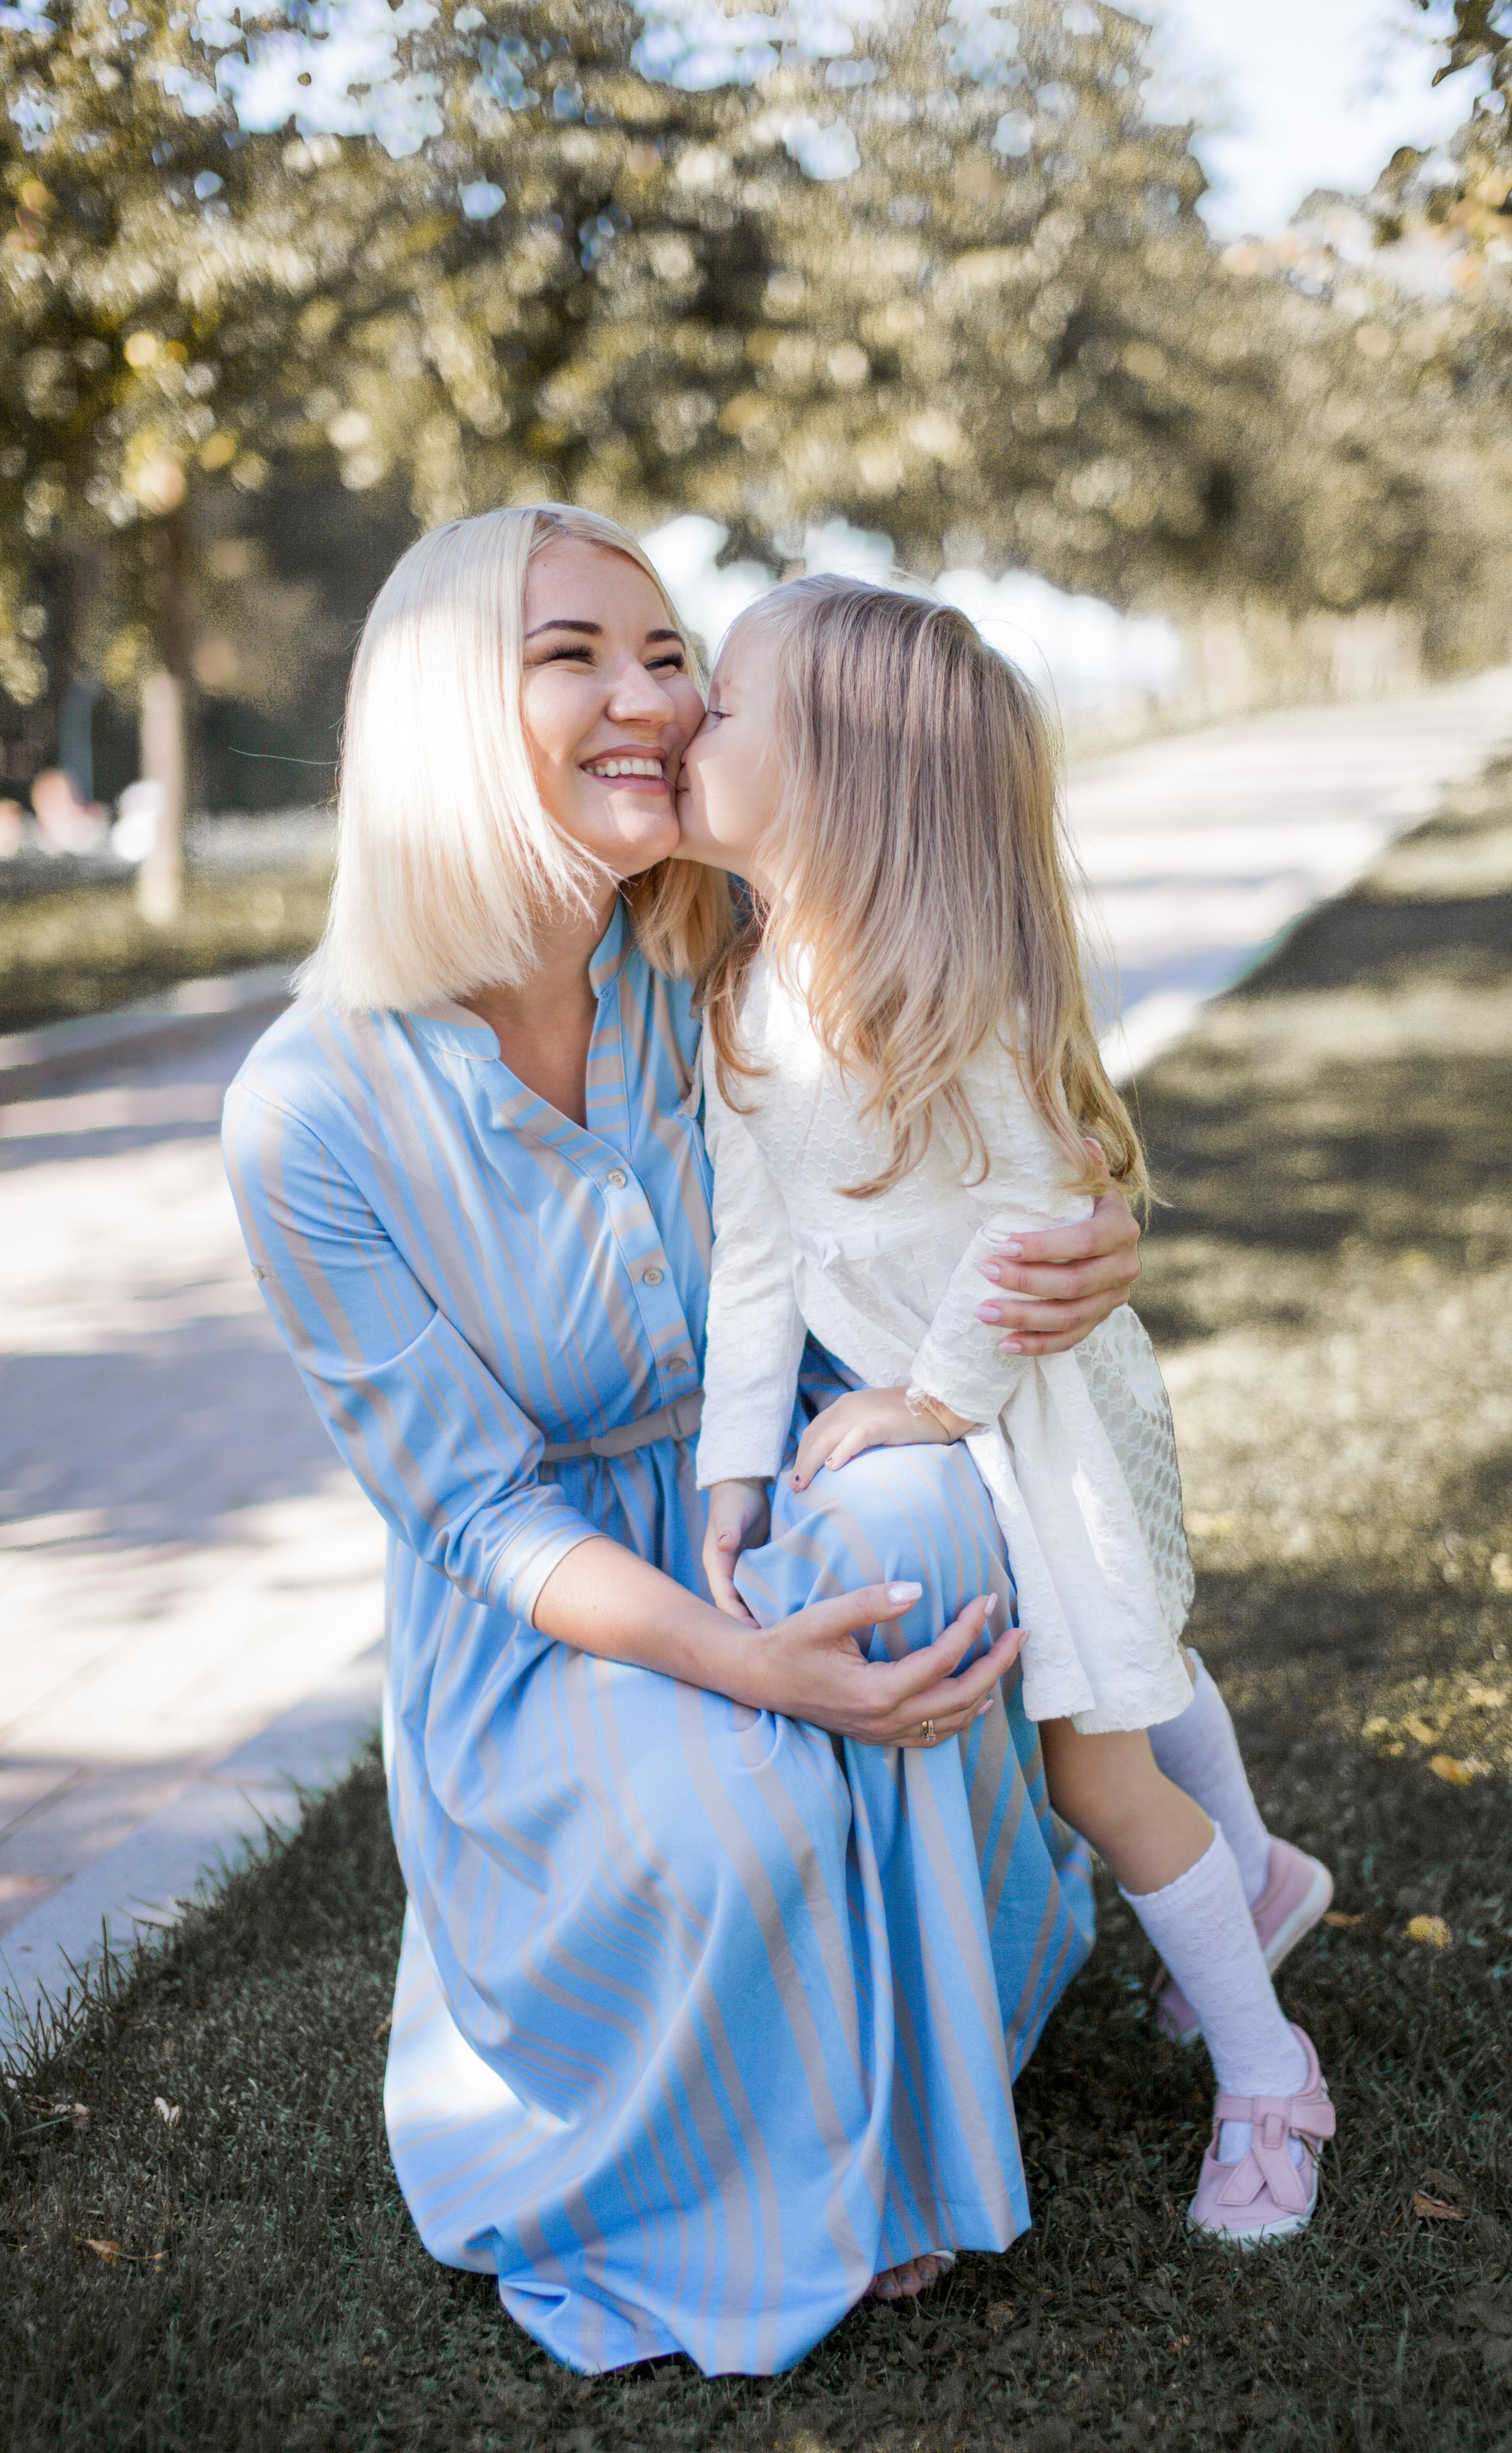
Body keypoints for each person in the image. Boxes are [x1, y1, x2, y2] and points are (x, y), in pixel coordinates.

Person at [222, 503, 1151, 2374]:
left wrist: (1108, 1228)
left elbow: (994, 1070)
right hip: (559, 1610)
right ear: (440, 710)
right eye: (576, 654)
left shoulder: (722, 935)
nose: (651, 699)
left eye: (670, 656)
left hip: (783, 1469)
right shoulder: (304, 1111)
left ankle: (916, 2101)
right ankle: (787, 2153)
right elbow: (476, 1516)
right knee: (743, 1815)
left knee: (923, 1530)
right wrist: (738, 1658)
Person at [685, 577, 1335, 2245]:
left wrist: (926, 1400)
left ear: (835, 780)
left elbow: (1048, 1225)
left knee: (1095, 1764)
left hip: (1035, 1421)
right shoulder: (750, 1008)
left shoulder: (951, 1006)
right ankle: (1256, 1880)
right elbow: (753, 1264)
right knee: (1133, 1667)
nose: (695, 715)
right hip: (951, 1419)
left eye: (730, 702)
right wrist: (732, 1470)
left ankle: (1270, 2077)